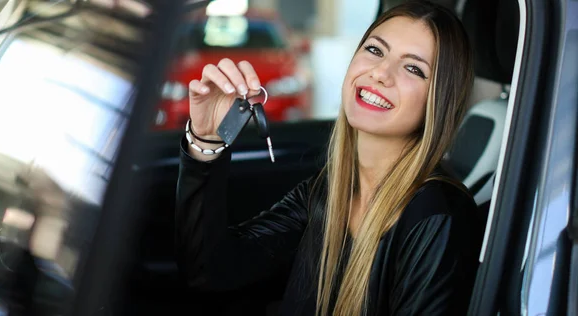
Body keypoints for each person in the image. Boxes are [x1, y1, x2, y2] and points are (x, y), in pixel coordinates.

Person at [175, 1, 485, 315]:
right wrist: (207, 138)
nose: (380, 73)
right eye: (375, 50)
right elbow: (211, 270)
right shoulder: (327, 191)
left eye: (413, 68)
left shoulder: (439, 217)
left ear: (439, 99)